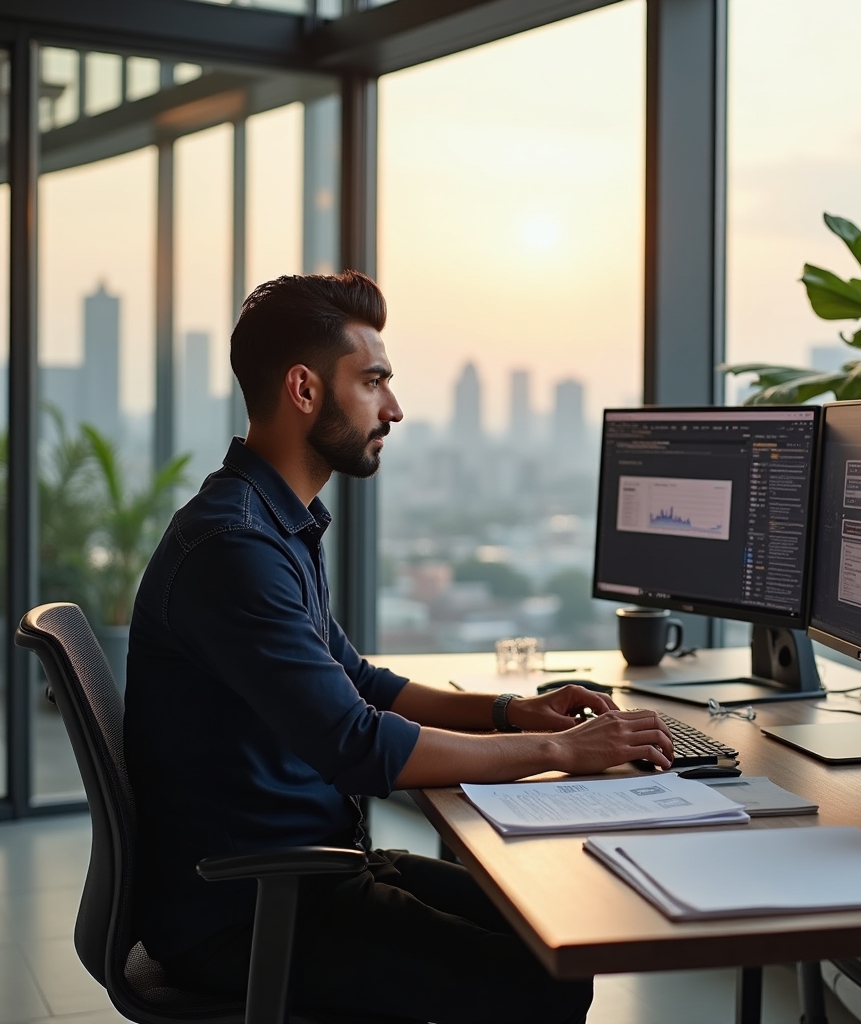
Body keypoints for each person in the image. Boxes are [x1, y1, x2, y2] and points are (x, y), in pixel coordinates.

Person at [124, 271, 673, 1024]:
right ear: (305, 390)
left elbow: (362, 683)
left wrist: (517, 712)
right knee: (543, 981)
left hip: (314, 872)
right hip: (250, 908)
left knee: (553, 935)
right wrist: (566, 754)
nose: (394, 408)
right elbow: (357, 744)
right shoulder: (234, 546)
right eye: (373, 381)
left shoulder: (273, 521)